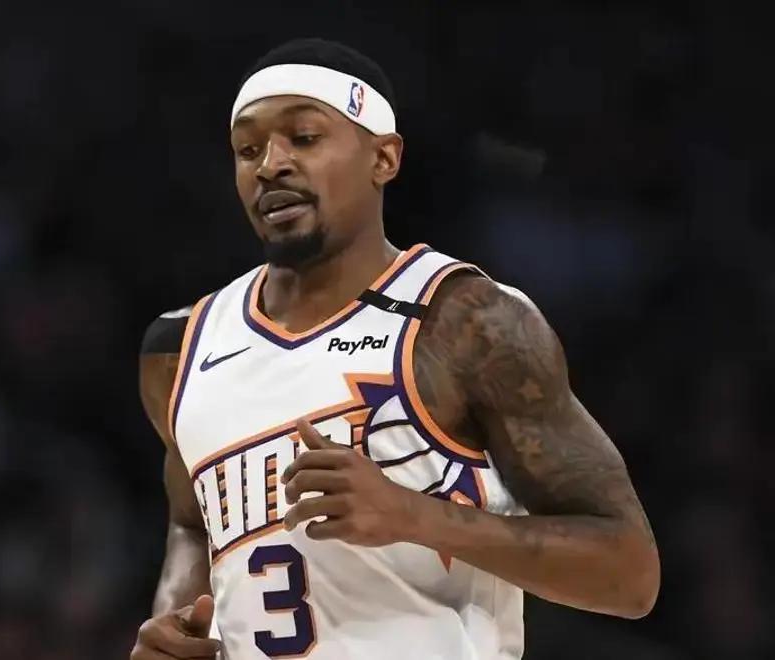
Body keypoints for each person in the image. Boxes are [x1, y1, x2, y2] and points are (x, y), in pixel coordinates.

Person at [131, 38, 659, 659]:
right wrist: (173, 621)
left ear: (383, 158)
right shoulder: (181, 348)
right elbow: (192, 524)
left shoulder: (467, 322)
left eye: (304, 138)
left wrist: (413, 516)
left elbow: (630, 572)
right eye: (248, 150)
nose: (271, 164)